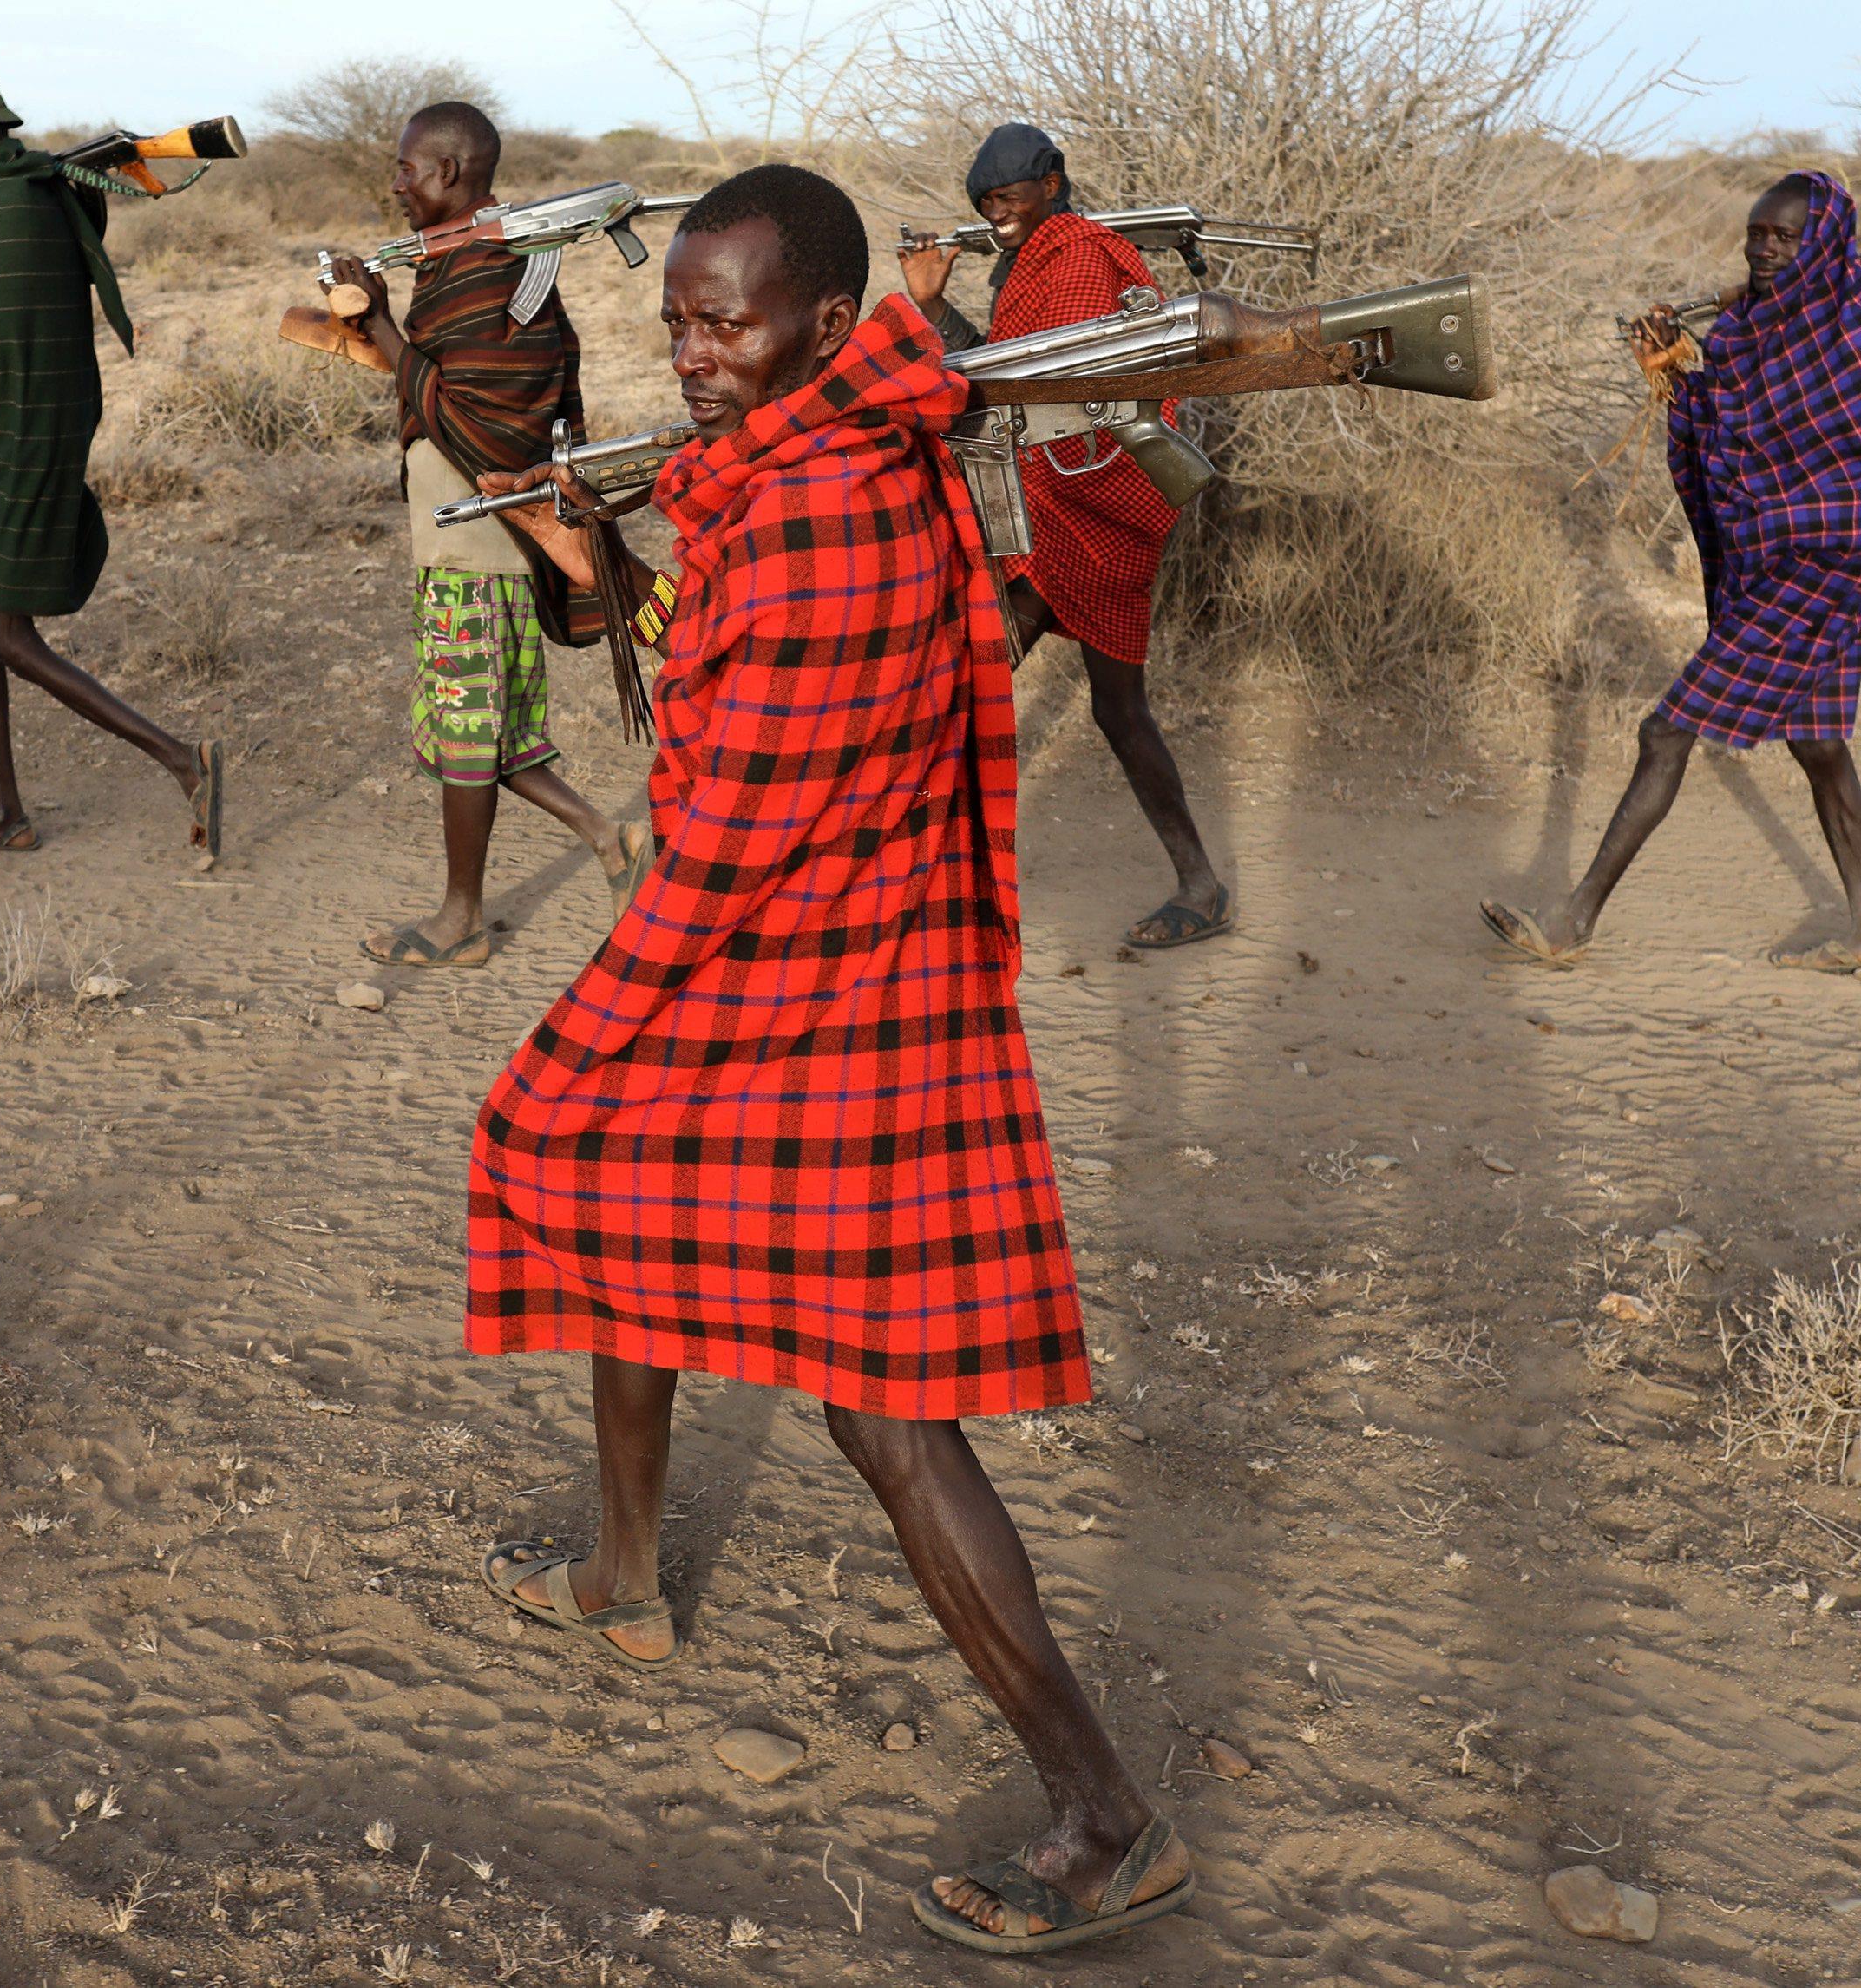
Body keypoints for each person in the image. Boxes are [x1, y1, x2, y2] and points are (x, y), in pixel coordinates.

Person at [463, 163, 1194, 1957]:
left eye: (726, 323)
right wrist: (609, 563)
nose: (692, 352)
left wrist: (614, 996)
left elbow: (720, 806)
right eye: (678, 320)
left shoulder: (819, 516)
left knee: (877, 1399)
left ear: (813, 321)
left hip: (831, 987)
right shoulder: (807, 469)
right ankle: (625, 1571)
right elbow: (702, 683)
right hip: (832, 957)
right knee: (615, 1169)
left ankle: (1106, 1816)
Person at [1483, 169, 1861, 972]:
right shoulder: (1749, 328)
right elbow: (1726, 430)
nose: (1763, 249)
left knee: (1665, 731)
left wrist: (1805, 529)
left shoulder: (1853, 329)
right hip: (1770, 569)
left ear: (1819, 242)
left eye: (1783, 238)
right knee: (1819, 745)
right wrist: (1674, 371)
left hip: (1817, 568)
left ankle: (1572, 920)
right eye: (1756, 234)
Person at [319, 101, 649, 968]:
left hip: (482, 548)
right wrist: (376, 321)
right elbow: (440, 389)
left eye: (406, 169)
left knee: (469, 738)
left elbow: (494, 427)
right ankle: (607, 839)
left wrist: (383, 328)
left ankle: (460, 915)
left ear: (452, 172)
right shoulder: (453, 266)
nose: (392, 183)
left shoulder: (499, 271)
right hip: (453, 549)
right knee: (480, 734)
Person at [898, 123, 1227, 949]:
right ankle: (1200, 883)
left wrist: (934, 321)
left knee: (967, 681)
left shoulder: (1077, 257)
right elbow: (1008, 371)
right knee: (1115, 710)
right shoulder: (1039, 258)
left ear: (1052, 181)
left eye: (1009, 198)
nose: (998, 215)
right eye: (986, 204)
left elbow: (1044, 389)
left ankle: (913, 886)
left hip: (1090, 506)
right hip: (1059, 511)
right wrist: (935, 308)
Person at [0, 70, 219, 860]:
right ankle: (2, 811)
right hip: (27, 415)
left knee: (8, 634)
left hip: (30, 426)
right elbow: (69, 213)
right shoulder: (37, 188)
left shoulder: (7, 201)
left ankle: (182, 761)